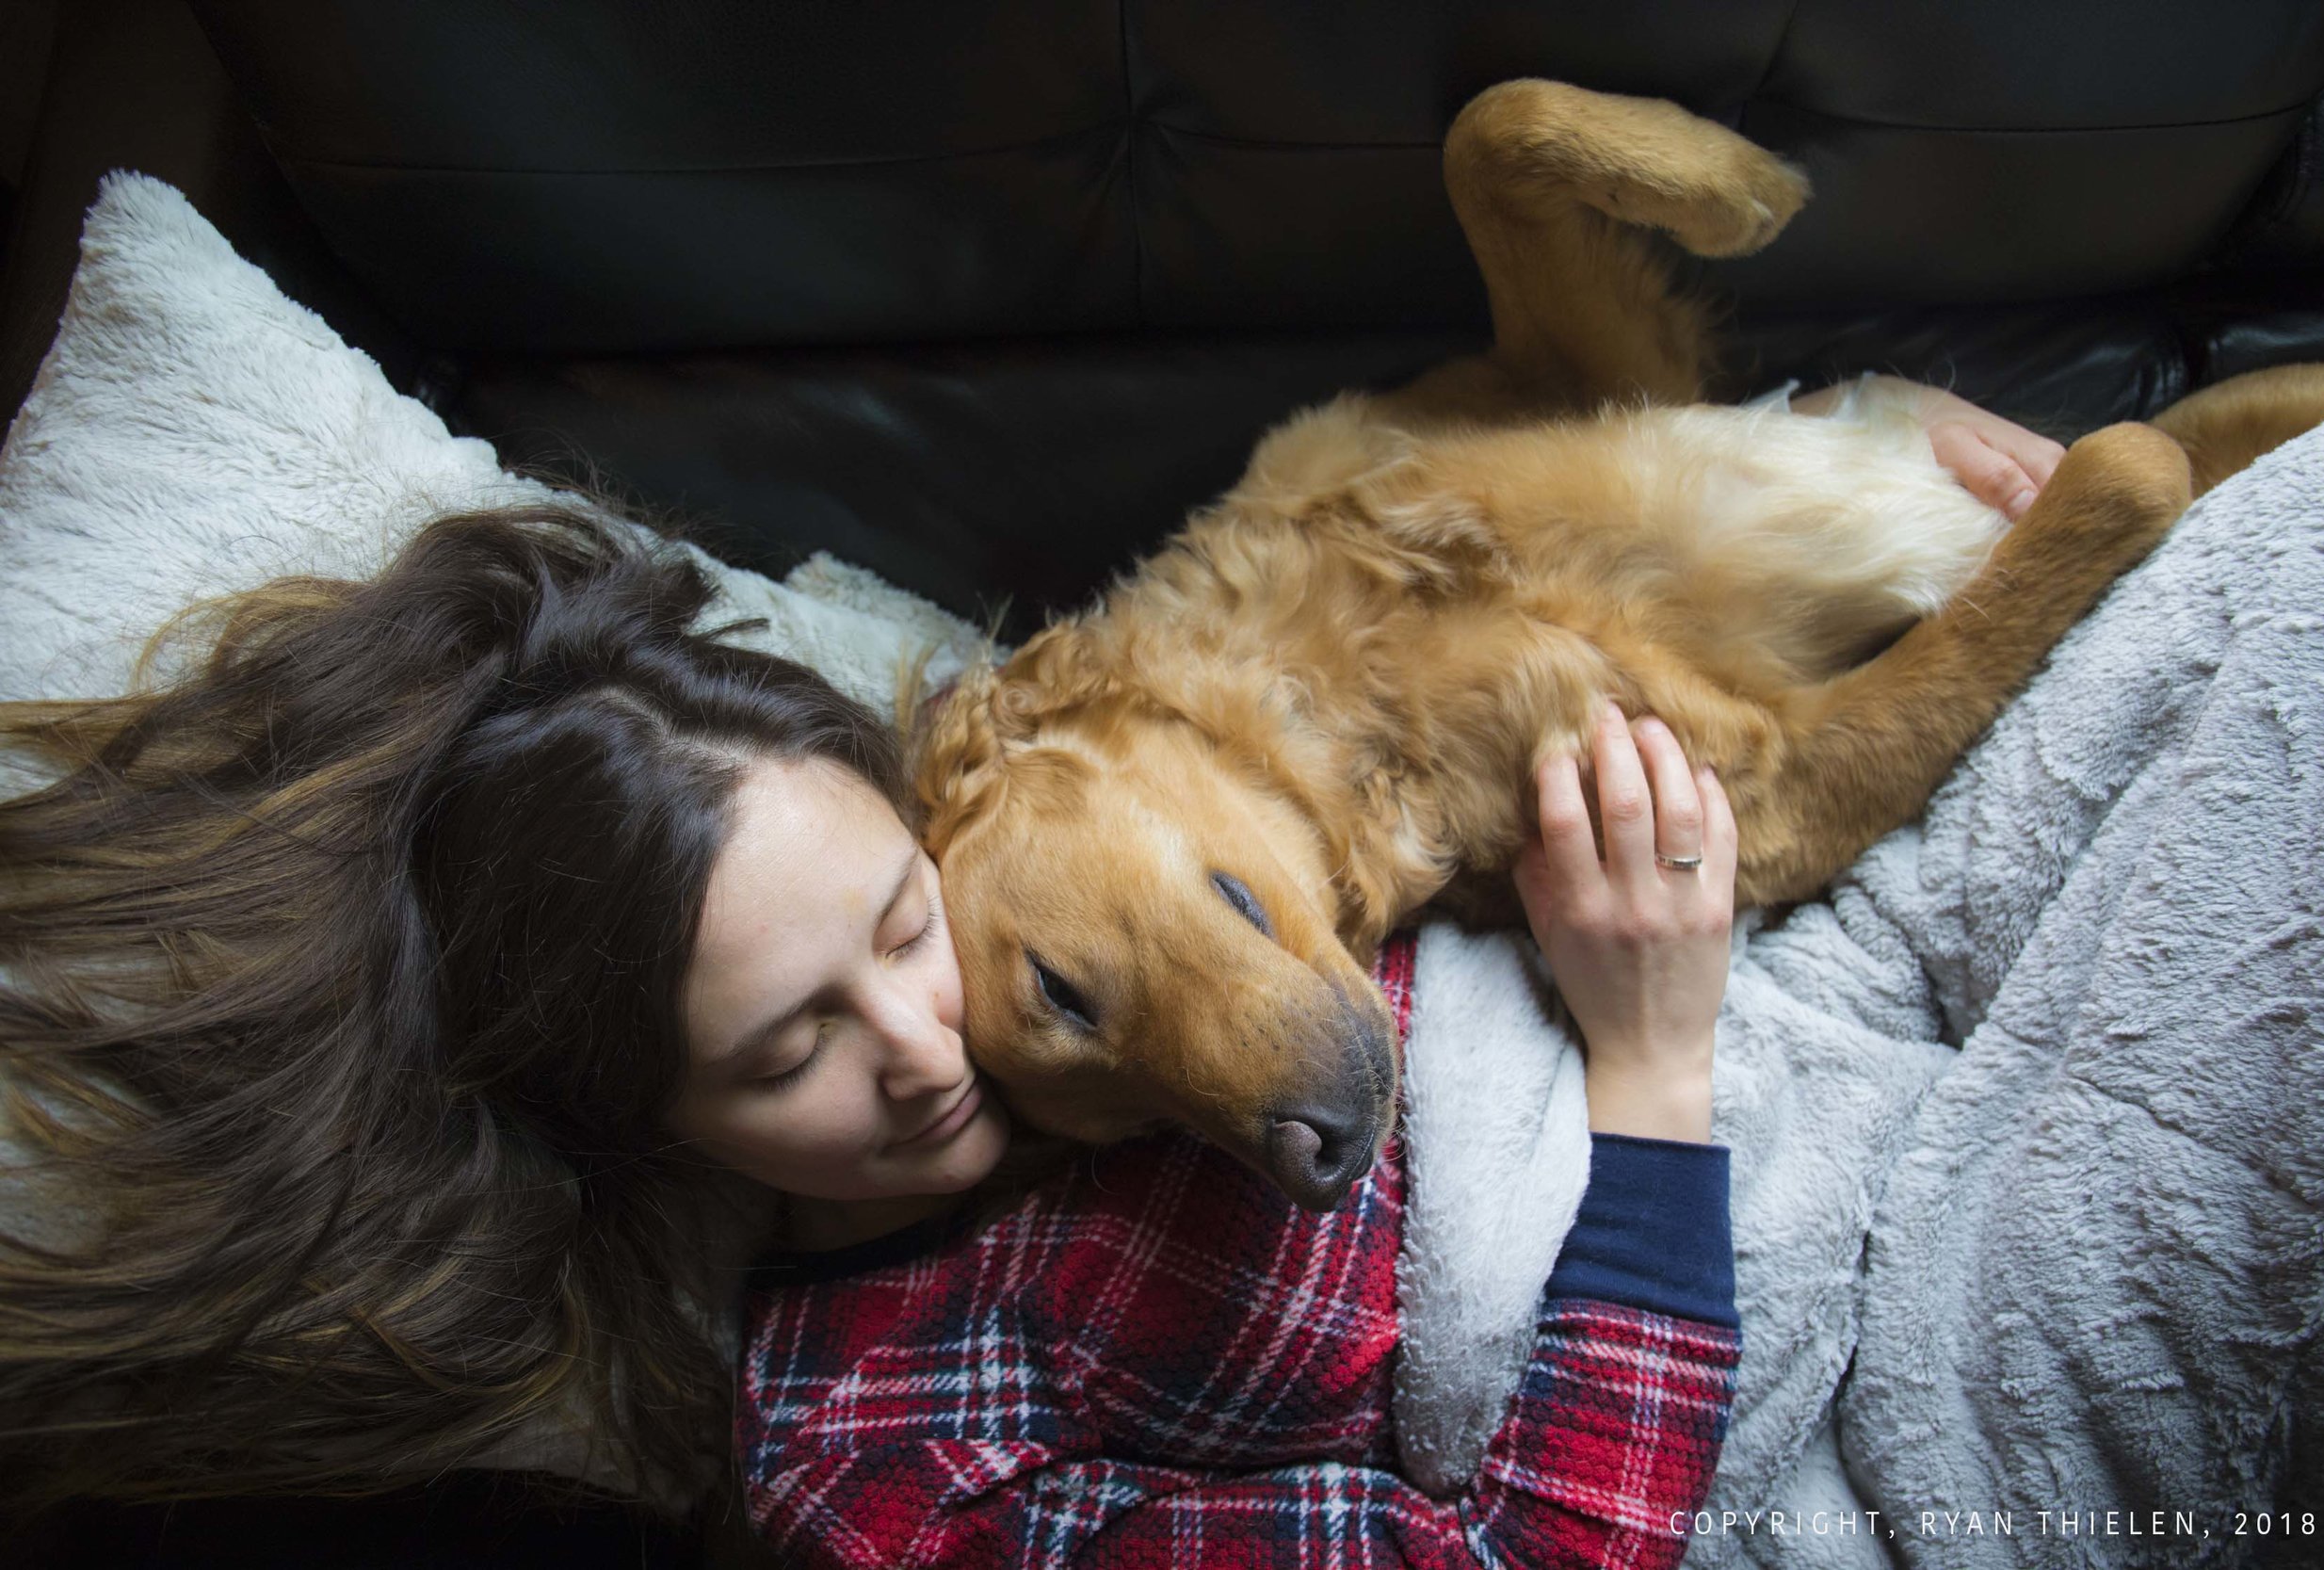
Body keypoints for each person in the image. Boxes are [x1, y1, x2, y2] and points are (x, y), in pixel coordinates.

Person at [0, 381, 2059, 1539]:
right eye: (792, 1043)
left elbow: (1413, 548)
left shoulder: (1042, 780)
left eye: (900, 923)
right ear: (642, 1120)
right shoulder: (872, 1468)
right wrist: (1653, 1074)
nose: (932, 1044)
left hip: (1852, 969)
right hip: (1796, 1346)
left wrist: (1847, 450)